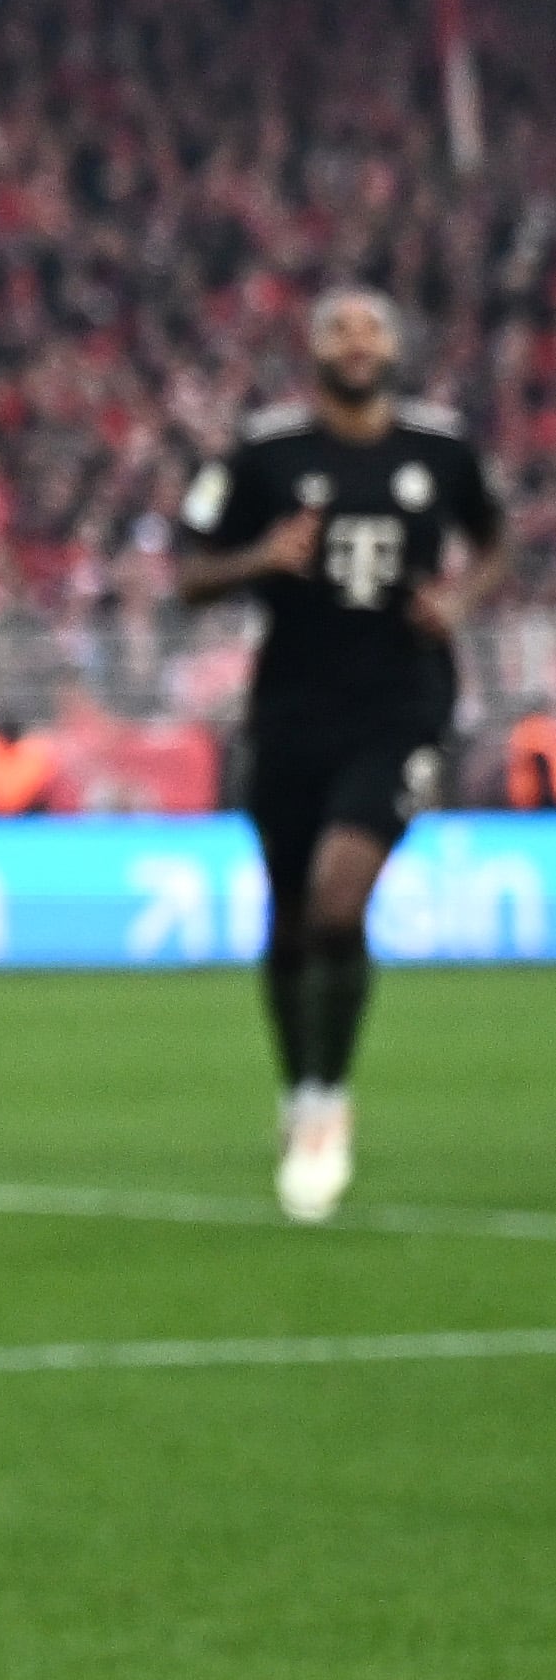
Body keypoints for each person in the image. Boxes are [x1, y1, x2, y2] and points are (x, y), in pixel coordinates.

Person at [171, 288, 505, 1222]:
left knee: (335, 900)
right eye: (338, 331)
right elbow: (189, 574)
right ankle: (297, 1090)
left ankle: (328, 1103)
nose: (357, 345)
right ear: (312, 349)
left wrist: (463, 599)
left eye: (372, 330)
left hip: (399, 708)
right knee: (285, 920)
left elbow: (494, 540)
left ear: (396, 348)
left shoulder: (438, 449)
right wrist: (257, 561)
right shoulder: (264, 452)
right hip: (288, 712)